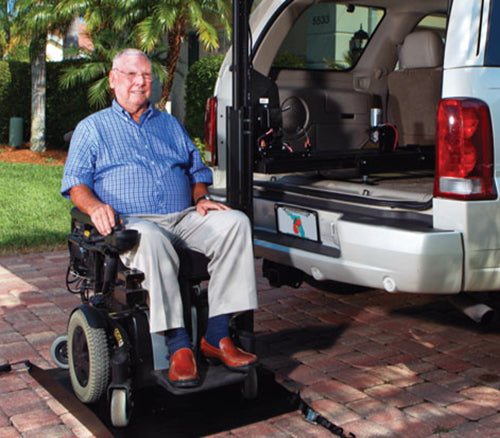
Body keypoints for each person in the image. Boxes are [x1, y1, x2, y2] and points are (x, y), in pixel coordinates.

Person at [61, 48, 258, 388]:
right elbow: (76, 183)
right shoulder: (92, 128)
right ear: (113, 80)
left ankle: (217, 334)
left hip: (182, 216)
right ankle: (179, 344)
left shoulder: (170, 124)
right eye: (131, 75)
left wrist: (200, 196)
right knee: (149, 237)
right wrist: (94, 207)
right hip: (132, 221)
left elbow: (197, 168)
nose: (140, 81)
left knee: (236, 223)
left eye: (147, 75)